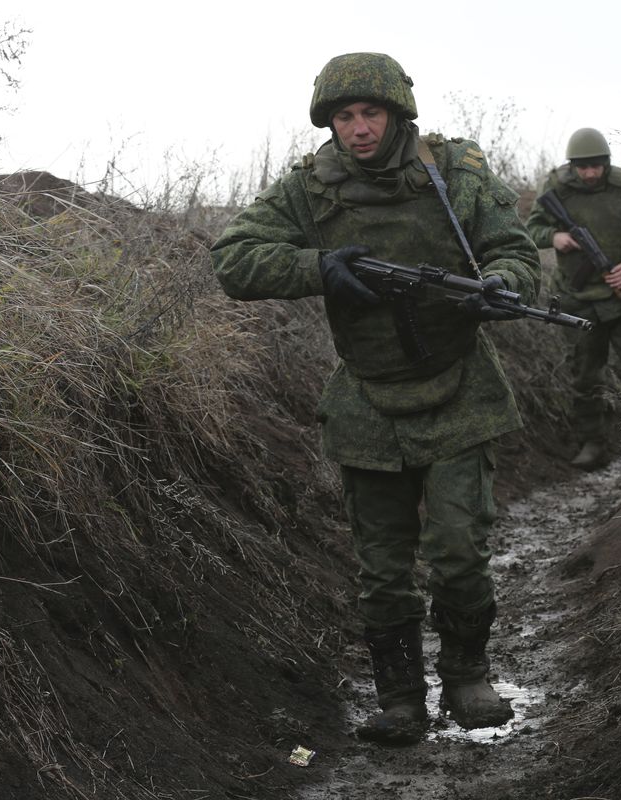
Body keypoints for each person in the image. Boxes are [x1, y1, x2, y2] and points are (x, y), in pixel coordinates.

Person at [209, 52, 540, 745]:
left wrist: (504, 283)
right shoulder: (310, 187)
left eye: (371, 113)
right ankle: (399, 700)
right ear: (329, 123)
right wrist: (319, 267)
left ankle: (467, 676)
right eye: (343, 116)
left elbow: (514, 248)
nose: (358, 129)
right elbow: (234, 257)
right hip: (367, 398)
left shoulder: (457, 171)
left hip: (461, 390)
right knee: (383, 568)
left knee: (458, 550)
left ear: (398, 115)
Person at [526, 127, 621, 470]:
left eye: (596, 166)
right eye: (582, 167)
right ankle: (592, 444)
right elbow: (530, 229)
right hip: (577, 301)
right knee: (586, 377)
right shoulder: (555, 188)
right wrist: (554, 236)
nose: (589, 173)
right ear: (572, 166)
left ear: (606, 163)